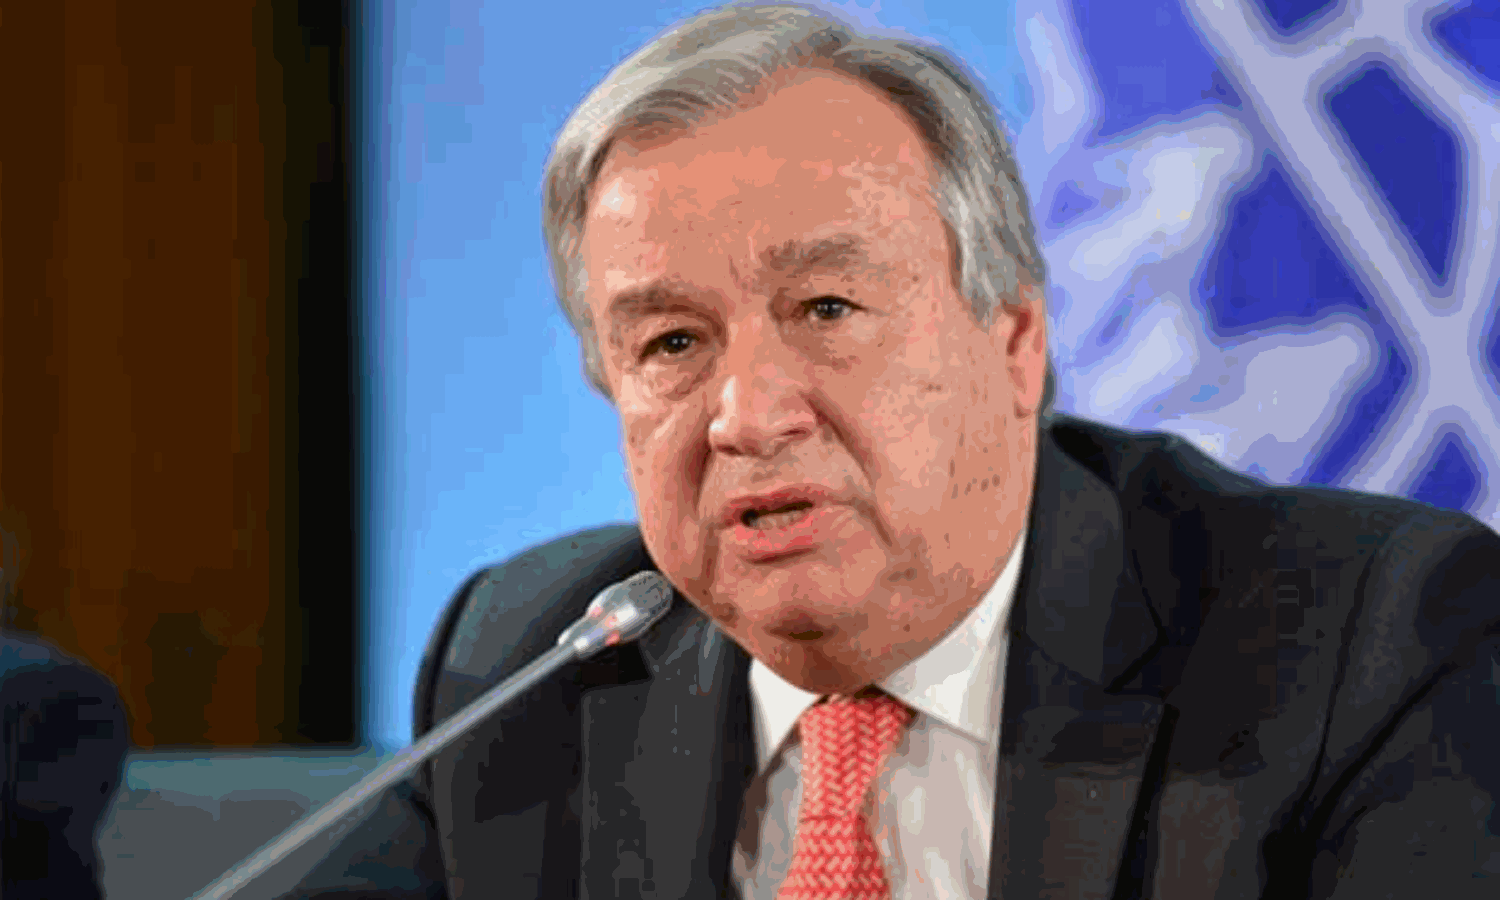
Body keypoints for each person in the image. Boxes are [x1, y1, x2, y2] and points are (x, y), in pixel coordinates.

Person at [280, 4, 1500, 898]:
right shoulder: (526, 671)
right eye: (671, 343)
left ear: (1014, 341)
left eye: (827, 309)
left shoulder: (1361, 650)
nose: (748, 414)